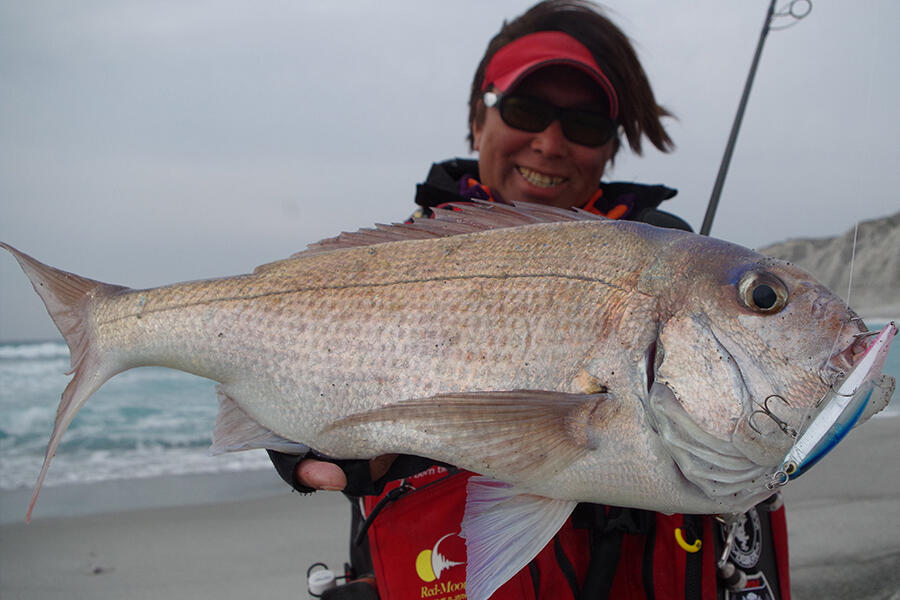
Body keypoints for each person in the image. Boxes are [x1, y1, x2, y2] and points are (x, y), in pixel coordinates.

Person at [270, 2, 791, 598]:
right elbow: (288, 339)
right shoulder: (386, 271)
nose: (549, 142)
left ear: (611, 147)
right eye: (525, 110)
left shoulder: (685, 274)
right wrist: (283, 410)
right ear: (477, 118)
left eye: (586, 124)